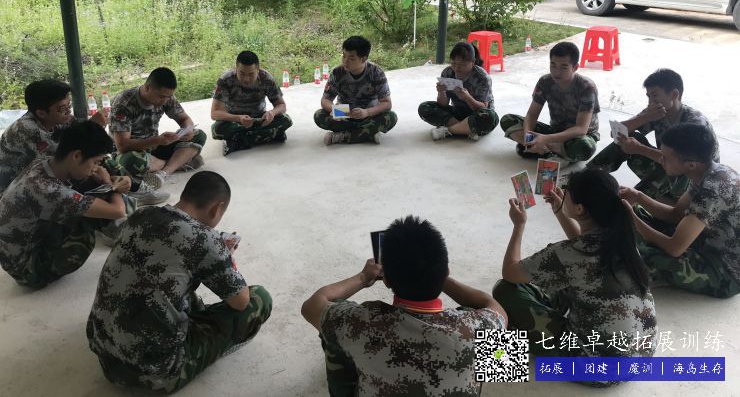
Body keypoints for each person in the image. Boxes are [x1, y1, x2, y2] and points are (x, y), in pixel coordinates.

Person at [87, 171, 272, 393]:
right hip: (154, 373)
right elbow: (240, 302)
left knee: (167, 276)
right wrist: (226, 258)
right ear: (217, 208)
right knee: (260, 298)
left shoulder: (142, 215)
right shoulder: (207, 241)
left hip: (105, 354)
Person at [301, 215, 507, 396]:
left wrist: (363, 277)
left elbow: (311, 305)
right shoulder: (477, 326)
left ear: (386, 280)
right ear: (446, 272)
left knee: (333, 326)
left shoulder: (361, 323)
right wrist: (438, 275)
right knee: (491, 339)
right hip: (462, 342)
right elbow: (495, 308)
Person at [494, 169, 656, 370]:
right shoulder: (623, 240)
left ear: (580, 209)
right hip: (641, 356)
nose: (563, 194)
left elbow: (510, 272)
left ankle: (502, 355)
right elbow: (584, 250)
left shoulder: (567, 254)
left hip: (595, 366)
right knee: (564, 280)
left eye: (567, 193)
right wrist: (559, 210)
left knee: (505, 289)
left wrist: (519, 225)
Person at [0, 121, 130, 289]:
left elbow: (83, 178)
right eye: (96, 162)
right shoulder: (47, 189)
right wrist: (112, 186)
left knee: (90, 186)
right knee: (87, 229)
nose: (96, 168)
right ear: (76, 156)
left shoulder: (44, 163)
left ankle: (116, 229)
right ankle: (119, 234)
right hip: (26, 268)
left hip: (17, 249)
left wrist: (104, 177)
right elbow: (118, 211)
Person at [622, 123, 740, 298]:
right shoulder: (706, 172)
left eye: (665, 157)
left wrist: (632, 218)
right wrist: (638, 197)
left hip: (724, 268)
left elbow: (674, 248)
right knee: (634, 214)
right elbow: (676, 215)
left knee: (630, 256)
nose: (660, 160)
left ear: (690, 165)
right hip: (703, 240)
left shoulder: (713, 190)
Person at [589, 68, 719, 202]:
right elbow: (615, 133)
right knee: (628, 138)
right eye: (648, 96)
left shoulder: (695, 123)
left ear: (674, 94)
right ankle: (586, 177)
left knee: (668, 166)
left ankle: (629, 202)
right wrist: (645, 117)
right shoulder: (656, 111)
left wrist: (639, 148)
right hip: (669, 164)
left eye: (655, 95)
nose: (650, 101)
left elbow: (680, 163)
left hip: (693, 181)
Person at [0, 79, 107, 194]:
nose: (68, 111)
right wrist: (92, 126)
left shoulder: (60, 118)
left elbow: (81, 138)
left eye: (69, 105)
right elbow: (64, 162)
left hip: (39, 182)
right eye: (62, 108)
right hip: (13, 191)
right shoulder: (26, 129)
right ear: (41, 113)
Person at [499, 41, 600, 163]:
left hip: (580, 136)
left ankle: (542, 149)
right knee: (507, 120)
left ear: (575, 67)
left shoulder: (586, 87)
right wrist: (528, 136)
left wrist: (544, 139)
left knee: (584, 147)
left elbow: (581, 129)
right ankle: (549, 152)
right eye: (553, 65)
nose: (556, 72)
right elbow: (532, 114)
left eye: (563, 67)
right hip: (555, 131)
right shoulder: (545, 81)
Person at [110, 67, 207, 186]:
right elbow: (122, 146)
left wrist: (187, 130)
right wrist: (157, 140)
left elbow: (185, 119)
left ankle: (164, 173)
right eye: (161, 97)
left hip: (155, 149)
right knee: (130, 161)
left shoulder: (166, 97)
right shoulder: (124, 103)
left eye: (168, 97)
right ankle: (179, 162)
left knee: (199, 135)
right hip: (131, 152)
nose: (165, 101)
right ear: (147, 88)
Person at [314, 36, 397, 145]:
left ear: (363, 59)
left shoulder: (376, 72)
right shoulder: (337, 72)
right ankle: (367, 133)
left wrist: (367, 112)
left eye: (351, 58)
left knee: (391, 117)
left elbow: (387, 103)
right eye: (344, 56)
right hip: (344, 116)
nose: (345, 61)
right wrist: (336, 110)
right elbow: (325, 100)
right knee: (319, 115)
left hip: (369, 116)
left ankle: (342, 136)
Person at [210, 51, 292, 156]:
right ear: (236, 68)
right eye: (242, 73)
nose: (246, 79)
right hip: (235, 120)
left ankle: (239, 141)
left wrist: (272, 113)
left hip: (259, 118)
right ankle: (269, 135)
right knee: (217, 129)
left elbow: (281, 105)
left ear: (258, 70)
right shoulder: (226, 80)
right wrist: (238, 118)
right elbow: (215, 113)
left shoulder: (266, 78)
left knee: (286, 120)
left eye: (251, 74)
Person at [418, 41, 498, 142]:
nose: (457, 68)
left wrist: (467, 97)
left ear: (473, 62)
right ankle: (467, 129)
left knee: (490, 117)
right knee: (424, 107)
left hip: (477, 115)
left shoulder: (482, 78)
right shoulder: (447, 72)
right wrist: (441, 92)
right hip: (457, 112)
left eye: (462, 65)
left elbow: (483, 108)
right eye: (453, 63)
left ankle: (449, 130)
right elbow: (443, 104)